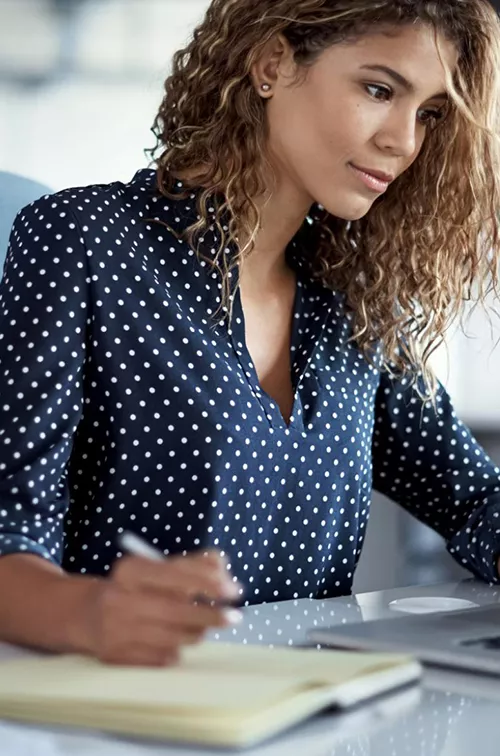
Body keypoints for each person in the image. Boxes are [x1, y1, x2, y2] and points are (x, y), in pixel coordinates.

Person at [0, 0, 499, 667]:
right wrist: (90, 613)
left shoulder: (353, 308)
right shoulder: (84, 242)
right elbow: (9, 538)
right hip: (120, 717)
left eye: (430, 114)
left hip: (312, 718)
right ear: (272, 63)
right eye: (380, 90)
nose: (404, 141)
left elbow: (475, 500)